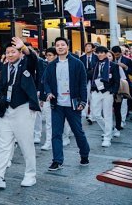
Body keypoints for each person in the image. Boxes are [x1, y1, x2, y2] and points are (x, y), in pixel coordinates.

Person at [0, 37, 40, 189]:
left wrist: (25, 49)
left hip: (23, 108)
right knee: (4, 144)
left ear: (20, 53)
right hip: (6, 110)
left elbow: (33, 60)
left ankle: (30, 175)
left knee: (26, 144)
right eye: (7, 52)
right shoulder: (2, 67)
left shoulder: (26, 64)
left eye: (13, 51)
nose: (9, 54)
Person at [42, 37, 90, 171]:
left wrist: (83, 101)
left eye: (62, 44)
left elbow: (82, 84)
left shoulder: (77, 63)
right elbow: (45, 82)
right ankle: (57, 160)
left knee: (78, 132)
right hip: (57, 105)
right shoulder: (51, 65)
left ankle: (84, 154)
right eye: (57, 45)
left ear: (67, 46)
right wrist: (49, 92)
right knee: (56, 133)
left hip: (73, 104)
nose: (60, 47)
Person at [89, 46, 120, 147]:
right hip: (96, 91)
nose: (100, 54)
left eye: (102, 53)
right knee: (96, 114)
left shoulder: (113, 65)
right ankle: (109, 129)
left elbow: (117, 81)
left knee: (107, 115)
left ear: (106, 53)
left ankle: (107, 137)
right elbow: (90, 75)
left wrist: (112, 92)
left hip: (107, 92)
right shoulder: (94, 64)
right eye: (98, 53)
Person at [80, 43, 98, 123]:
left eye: (89, 46)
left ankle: (92, 116)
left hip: (95, 80)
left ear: (93, 48)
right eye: (86, 46)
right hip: (84, 79)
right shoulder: (82, 58)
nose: (87, 48)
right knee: (85, 96)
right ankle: (85, 113)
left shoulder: (96, 57)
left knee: (93, 97)